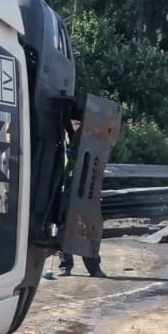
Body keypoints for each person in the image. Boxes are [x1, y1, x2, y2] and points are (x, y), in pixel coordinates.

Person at [43, 117, 106, 279]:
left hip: (82, 191)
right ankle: (65, 266)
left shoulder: (86, 143)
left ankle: (93, 267)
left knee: (86, 229)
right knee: (63, 228)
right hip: (65, 189)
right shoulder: (61, 143)